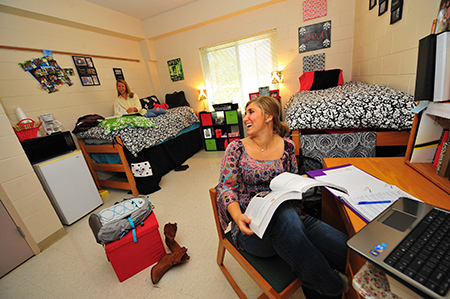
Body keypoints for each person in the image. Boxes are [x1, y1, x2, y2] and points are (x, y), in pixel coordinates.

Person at [217, 96, 349, 299]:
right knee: (285, 214)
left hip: (294, 220)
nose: (245, 118)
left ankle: (319, 286)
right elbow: (226, 188)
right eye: (246, 113)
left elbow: (291, 185)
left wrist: (301, 183)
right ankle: (332, 285)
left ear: (269, 116)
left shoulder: (288, 147)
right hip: (253, 227)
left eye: (251, 111)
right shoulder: (236, 148)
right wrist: (237, 217)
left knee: (347, 250)